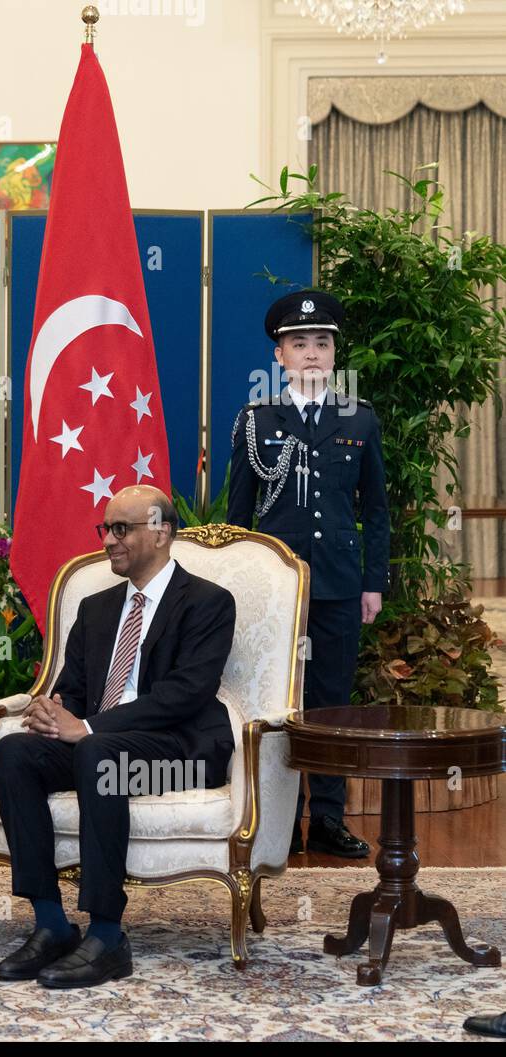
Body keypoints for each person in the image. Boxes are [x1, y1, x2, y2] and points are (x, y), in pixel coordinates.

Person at [0, 485, 236, 989]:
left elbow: (186, 695)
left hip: (179, 754)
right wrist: (53, 711)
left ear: (162, 531)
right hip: (102, 748)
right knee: (15, 750)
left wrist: (87, 728)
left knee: (97, 751)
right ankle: (52, 924)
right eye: (105, 529)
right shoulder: (97, 608)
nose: (108, 540)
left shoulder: (209, 603)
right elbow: (74, 691)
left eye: (121, 529)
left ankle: (107, 936)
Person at [228, 291, 390, 858]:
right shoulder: (256, 420)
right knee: (277, 700)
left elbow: (375, 510)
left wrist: (374, 583)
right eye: (300, 344)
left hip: (340, 587)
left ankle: (325, 819)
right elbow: (238, 516)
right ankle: (277, 818)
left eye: (322, 343)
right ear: (280, 356)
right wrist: (239, 586)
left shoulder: (360, 418)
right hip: (277, 590)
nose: (313, 354)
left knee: (331, 703)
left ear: (334, 352)